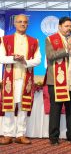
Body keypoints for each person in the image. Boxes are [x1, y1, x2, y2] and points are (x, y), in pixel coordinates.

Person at [45, 16, 71, 146]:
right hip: (56, 81)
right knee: (56, 109)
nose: (69, 28)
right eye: (66, 26)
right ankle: (53, 137)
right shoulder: (50, 39)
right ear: (59, 26)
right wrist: (66, 50)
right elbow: (50, 56)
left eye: (70, 26)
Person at [0, 14, 41, 145]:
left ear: (28, 24)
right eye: (20, 22)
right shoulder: (5, 40)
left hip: (26, 78)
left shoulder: (34, 41)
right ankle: (7, 134)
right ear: (15, 24)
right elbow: (1, 58)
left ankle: (20, 134)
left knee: (23, 106)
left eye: (25, 22)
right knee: (9, 106)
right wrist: (13, 58)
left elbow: (38, 60)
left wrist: (24, 61)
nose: (23, 24)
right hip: (10, 79)